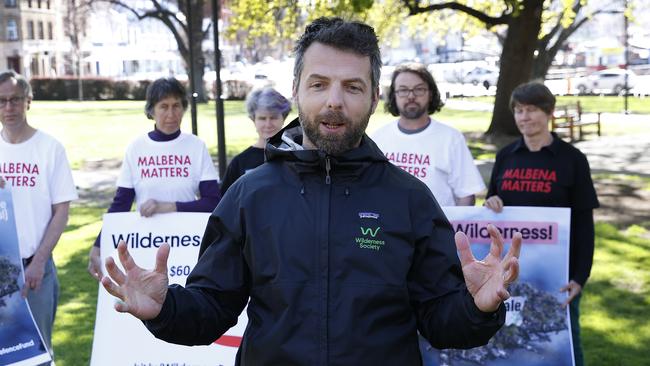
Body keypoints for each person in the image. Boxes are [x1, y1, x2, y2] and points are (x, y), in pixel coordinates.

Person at [101, 18, 522, 365]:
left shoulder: (409, 199)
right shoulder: (250, 195)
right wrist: (165, 309)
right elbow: (212, 309)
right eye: (318, 84)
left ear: (375, 97)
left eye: (352, 87)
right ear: (297, 91)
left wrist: (477, 308)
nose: (334, 101)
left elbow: (442, 323)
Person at [484, 82, 598, 366]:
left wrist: (580, 277)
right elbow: (492, 204)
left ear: (549, 113)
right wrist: (493, 202)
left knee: (564, 341)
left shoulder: (573, 160)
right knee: (511, 339)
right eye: (519, 111)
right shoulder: (506, 156)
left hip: (557, 273)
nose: (524, 117)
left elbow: (584, 223)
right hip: (512, 269)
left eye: (532, 110)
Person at [87, 77, 220, 280]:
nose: (171, 114)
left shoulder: (196, 146)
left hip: (189, 246)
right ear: (151, 110)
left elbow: (213, 202)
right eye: (163, 106)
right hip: (147, 245)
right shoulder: (136, 148)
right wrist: (98, 246)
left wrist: (171, 206)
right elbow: (120, 204)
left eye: (177, 106)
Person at [0, 70, 78, 358]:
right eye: (2, 101)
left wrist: (39, 261)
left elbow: (61, 211)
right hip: (0, 269)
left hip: (35, 270)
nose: (9, 108)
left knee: (37, 352)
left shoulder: (49, 149)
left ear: (28, 101)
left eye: (15, 100)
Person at [372, 62, 485, 206]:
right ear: (394, 95)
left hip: (438, 227)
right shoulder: (378, 139)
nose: (411, 96)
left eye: (419, 89)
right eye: (403, 90)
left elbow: (466, 195)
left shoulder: (451, 138)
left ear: (430, 94)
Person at [219, 87, 291, 194]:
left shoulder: (295, 157)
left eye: (274, 117)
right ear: (253, 120)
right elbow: (225, 203)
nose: (268, 124)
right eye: (262, 118)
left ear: (283, 119)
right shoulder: (240, 162)